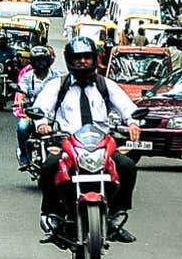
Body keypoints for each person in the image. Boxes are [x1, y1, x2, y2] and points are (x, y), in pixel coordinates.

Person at [32, 38, 142, 243]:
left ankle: (116, 217)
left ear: (95, 59)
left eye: (87, 57)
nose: (82, 62)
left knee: (127, 167)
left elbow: (127, 107)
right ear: (69, 60)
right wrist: (41, 123)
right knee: (49, 167)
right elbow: (41, 108)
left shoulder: (105, 85)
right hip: (68, 144)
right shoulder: (59, 85)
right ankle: (52, 216)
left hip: (101, 145)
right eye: (77, 58)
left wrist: (133, 122)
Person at [13, 47, 62, 170]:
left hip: (52, 114)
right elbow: (21, 93)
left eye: (43, 60)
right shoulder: (27, 77)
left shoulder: (57, 77)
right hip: (32, 114)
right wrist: (21, 103)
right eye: (37, 60)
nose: (40, 63)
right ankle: (24, 157)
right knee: (22, 127)